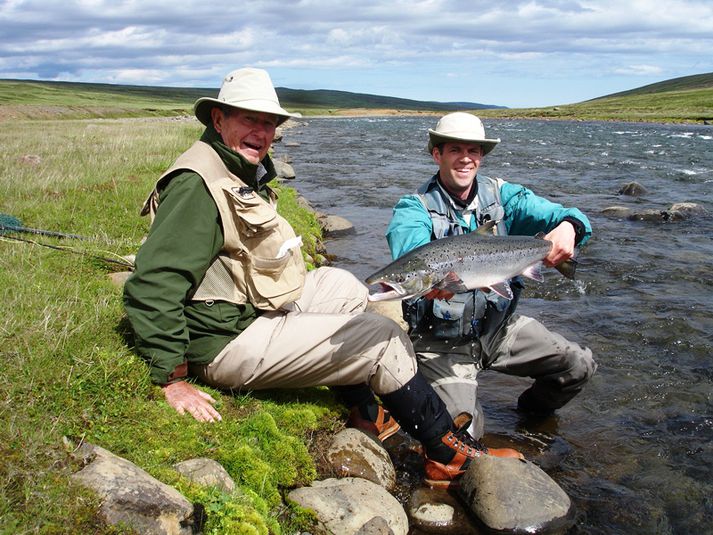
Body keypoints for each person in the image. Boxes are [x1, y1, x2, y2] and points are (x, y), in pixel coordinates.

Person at [123, 69, 522, 488]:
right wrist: (172, 379)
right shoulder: (197, 187)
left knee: (347, 287)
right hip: (223, 341)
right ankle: (448, 453)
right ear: (218, 120)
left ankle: (366, 413)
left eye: (269, 122)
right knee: (382, 337)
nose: (262, 132)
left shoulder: (234, 167)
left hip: (245, 309)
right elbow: (152, 284)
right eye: (249, 120)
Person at [386, 112, 597, 439]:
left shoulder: (505, 197)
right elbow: (411, 255)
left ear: (482, 157)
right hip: (441, 342)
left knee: (578, 365)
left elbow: (569, 215)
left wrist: (569, 229)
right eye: (455, 149)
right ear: (436, 154)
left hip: (498, 330)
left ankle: (531, 421)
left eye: (474, 151)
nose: (465, 158)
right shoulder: (413, 208)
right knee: (461, 436)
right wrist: (433, 281)